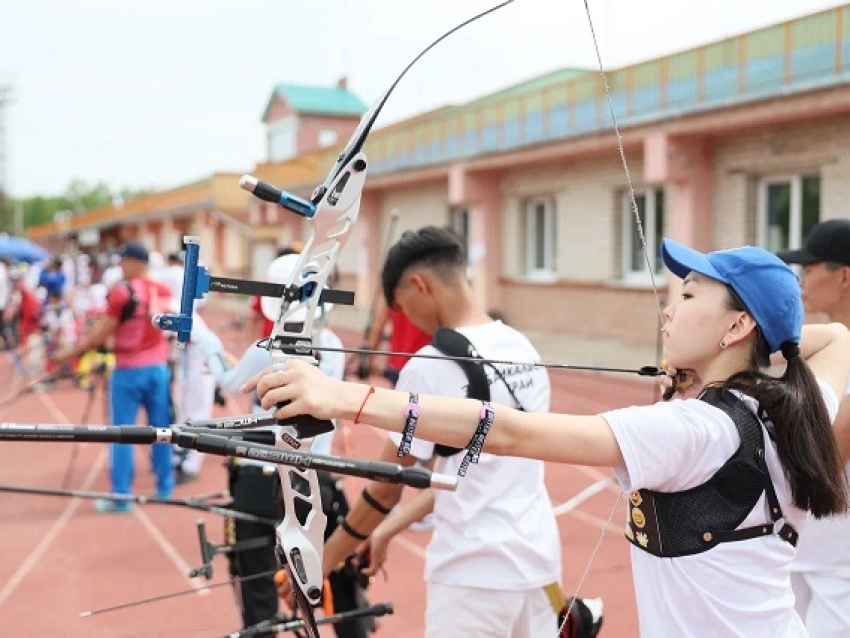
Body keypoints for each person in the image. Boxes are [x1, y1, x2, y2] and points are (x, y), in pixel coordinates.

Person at [249, 238, 850, 637]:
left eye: (689, 296)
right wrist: (738, 363)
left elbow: (507, 432)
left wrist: (342, 398)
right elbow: (836, 340)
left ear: (738, 323)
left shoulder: (694, 428)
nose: (669, 311)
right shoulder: (794, 404)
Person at [274, 227, 569, 638]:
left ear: (419, 284)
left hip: (471, 579)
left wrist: (318, 563)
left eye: (399, 308)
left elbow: (384, 488)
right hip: (539, 568)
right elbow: (470, 477)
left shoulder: (428, 366)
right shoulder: (524, 349)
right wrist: (388, 529)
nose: (402, 320)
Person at [191, 251, 355, 633]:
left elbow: (231, 382)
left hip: (261, 478)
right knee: (336, 574)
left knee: (258, 581)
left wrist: (203, 338)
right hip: (317, 480)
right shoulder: (334, 344)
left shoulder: (267, 348)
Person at [52, 241, 174, 511]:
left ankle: (121, 495)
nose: (120, 266)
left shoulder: (121, 293)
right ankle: (165, 485)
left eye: (123, 260)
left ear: (135, 262)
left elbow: (100, 333)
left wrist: (68, 354)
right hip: (158, 369)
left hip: (128, 370)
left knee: (122, 433)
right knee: (162, 430)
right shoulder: (162, 289)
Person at [776, 218, 850, 636]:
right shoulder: (824, 347)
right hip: (806, 545)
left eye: (809, 268)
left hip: (840, 563)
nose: (800, 278)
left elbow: (828, 449)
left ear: (844, 276)